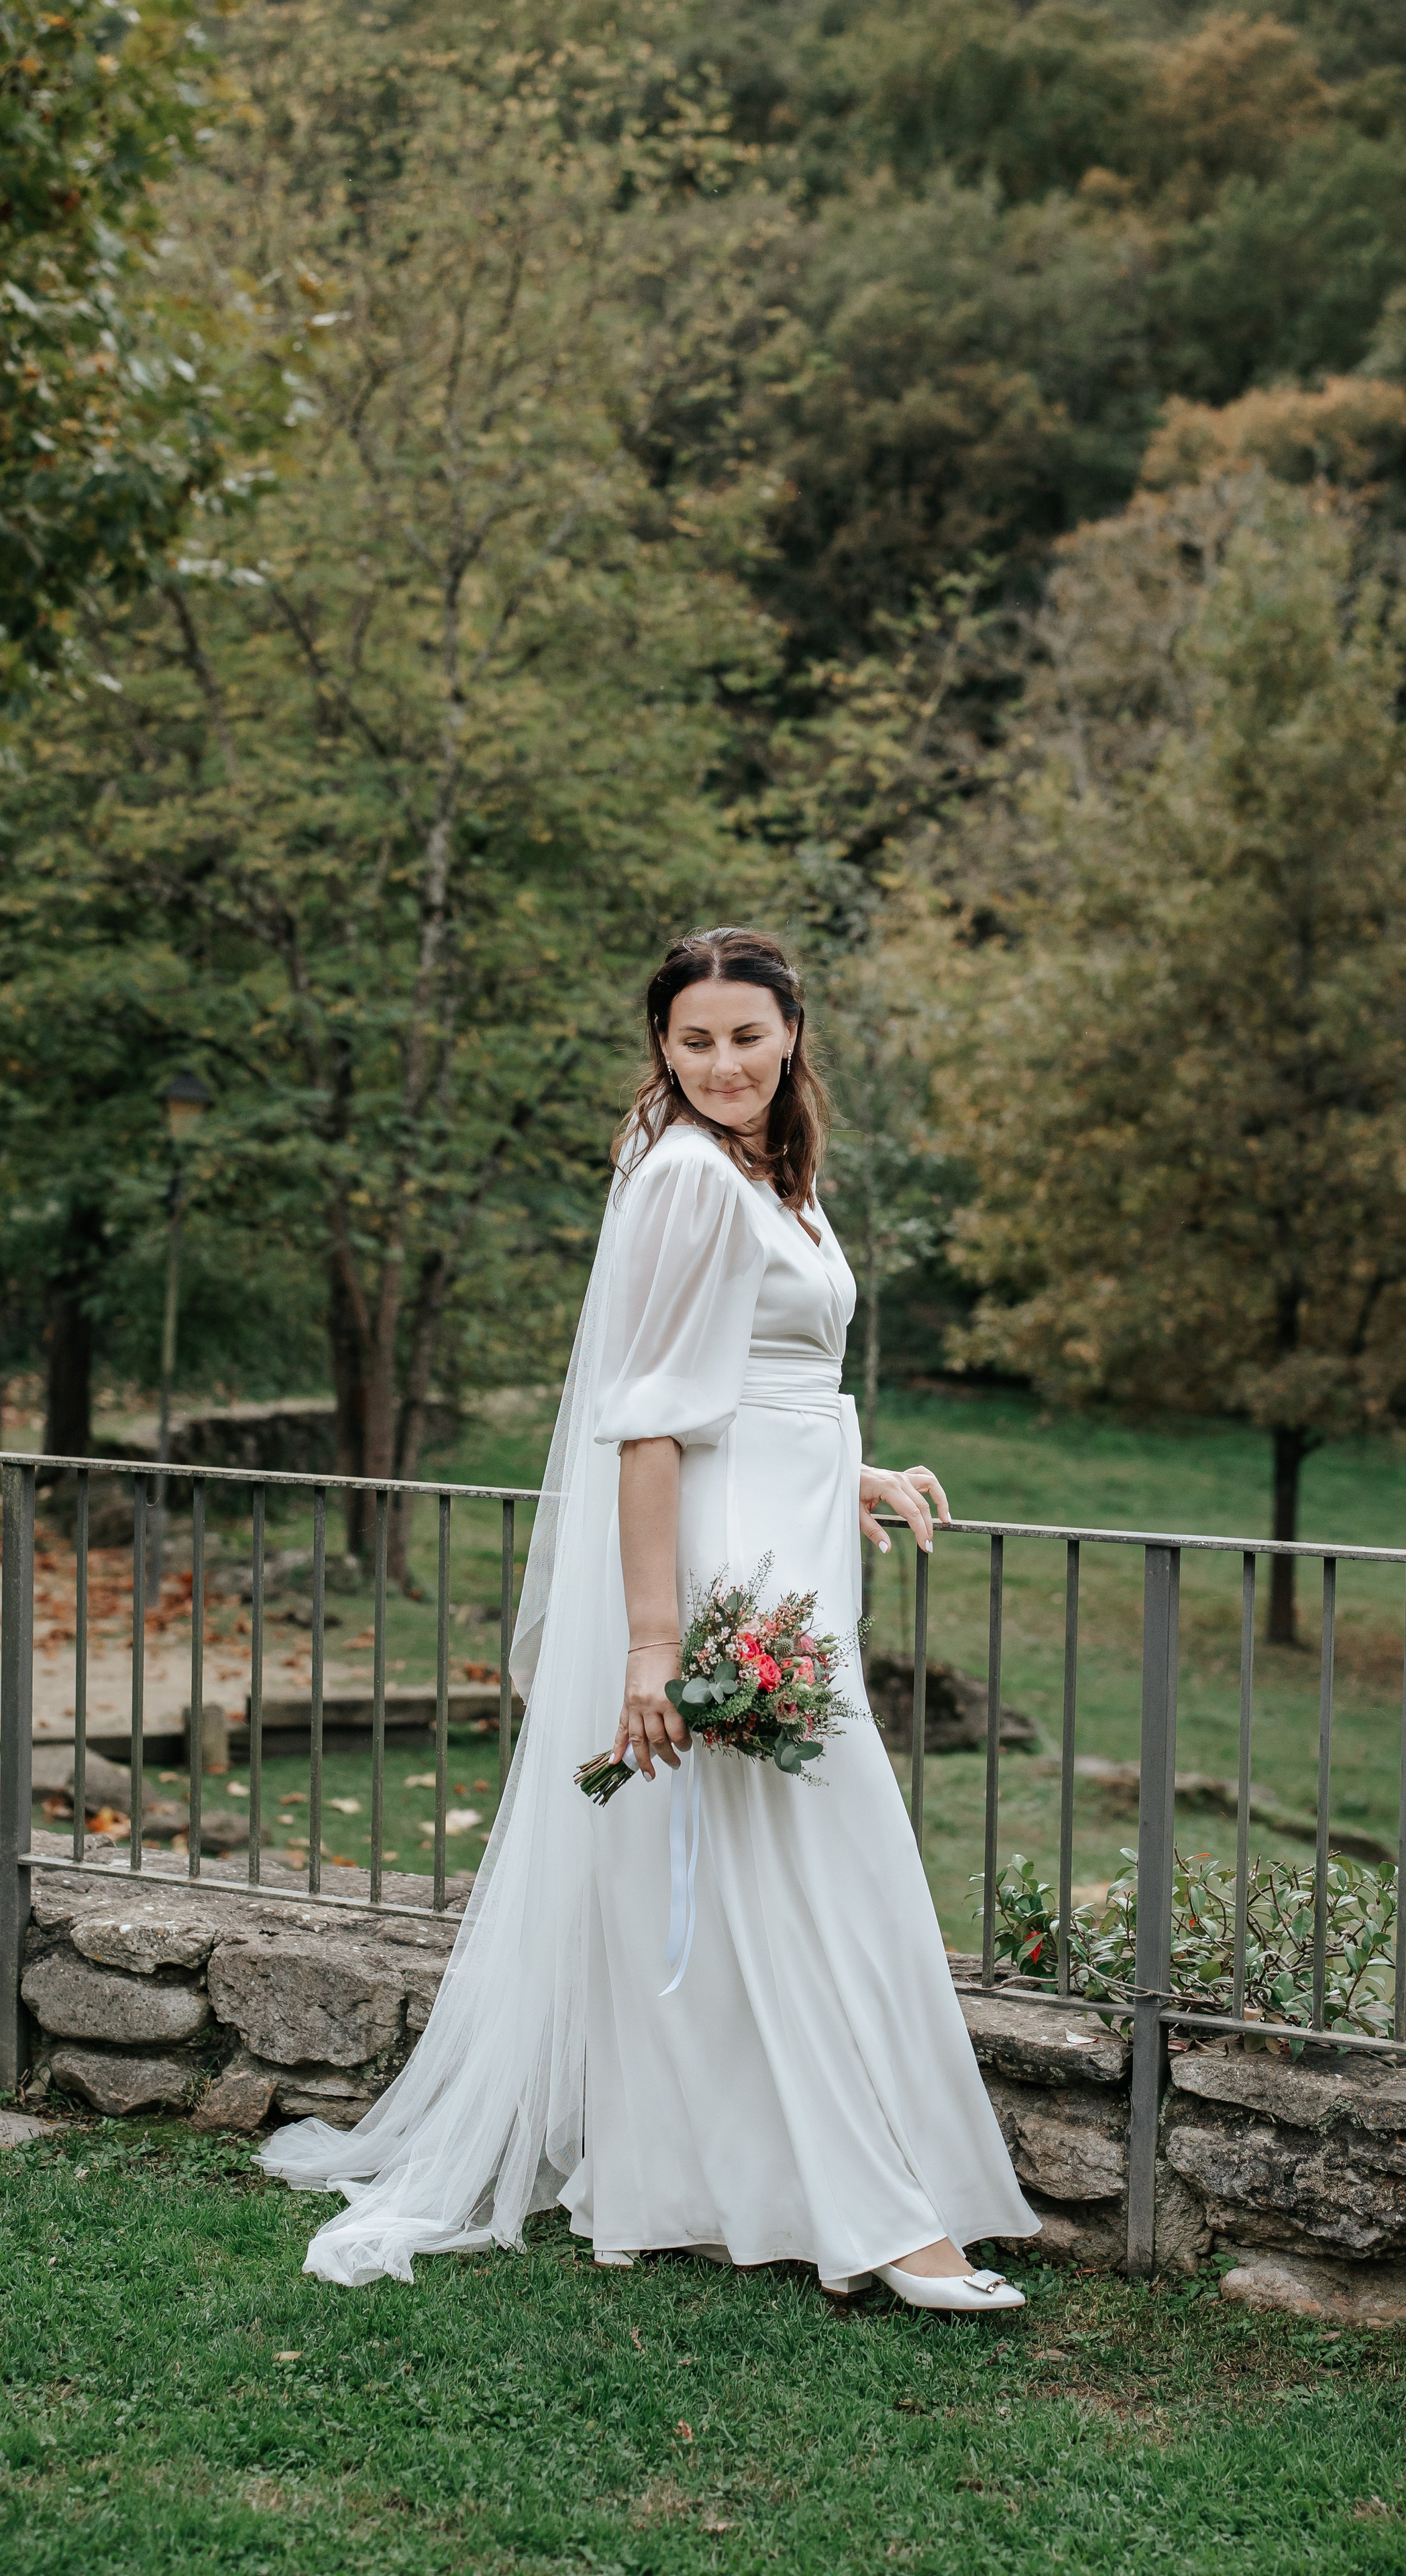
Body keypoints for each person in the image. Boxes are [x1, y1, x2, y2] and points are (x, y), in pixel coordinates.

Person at [262, 926, 1038, 2308]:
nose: (723, 1063)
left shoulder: (765, 1171)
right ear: (663, 1050)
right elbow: (647, 1430)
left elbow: (754, 1379)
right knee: (799, 1873)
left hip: (791, 1548)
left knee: (780, 1876)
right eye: (694, 1042)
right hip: (725, 1573)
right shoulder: (685, 1176)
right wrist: (651, 1647)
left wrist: (847, 1466)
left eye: (746, 1036)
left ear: (790, 1033)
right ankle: (879, 2221)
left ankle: (707, 2179)